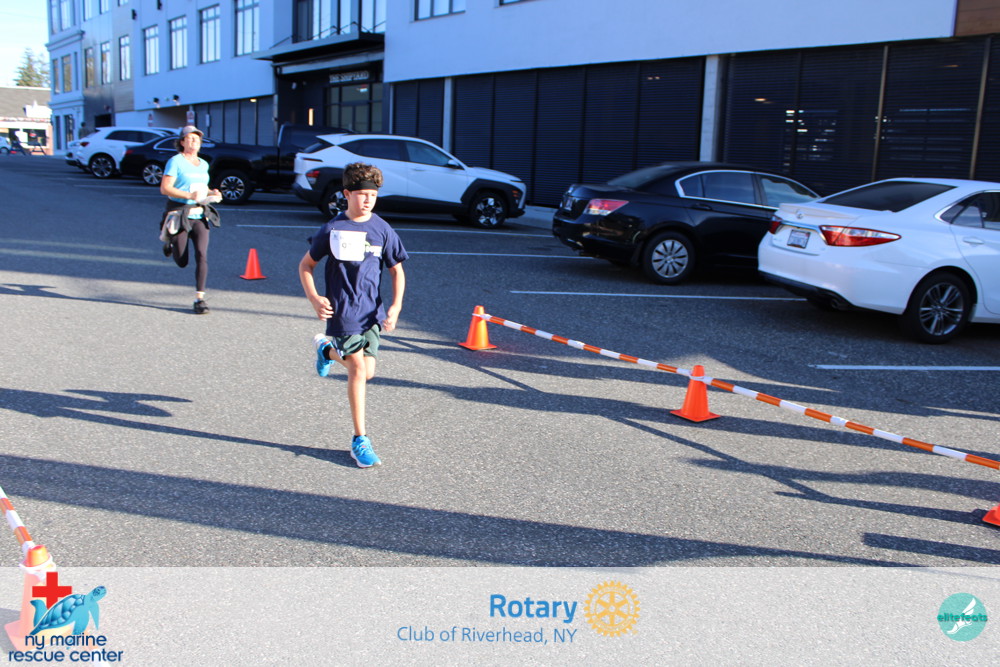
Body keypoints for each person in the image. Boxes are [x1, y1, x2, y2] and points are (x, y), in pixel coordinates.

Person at [298, 163, 408, 468]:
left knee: (367, 372)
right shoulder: (332, 229)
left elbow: (397, 270)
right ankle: (360, 439)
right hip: (343, 311)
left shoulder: (382, 229)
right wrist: (314, 298)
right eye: (362, 194)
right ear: (347, 194)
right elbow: (306, 265)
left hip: (372, 312)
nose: (368, 200)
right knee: (358, 370)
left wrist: (396, 306)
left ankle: (326, 351)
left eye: (373, 194)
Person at [159, 125, 221, 314]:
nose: (194, 142)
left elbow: (202, 187)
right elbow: (165, 188)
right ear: (182, 142)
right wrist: (189, 195)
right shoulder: (175, 161)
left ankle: (199, 299)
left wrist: (212, 193)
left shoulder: (203, 164)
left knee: (202, 255)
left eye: (197, 139)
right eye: (190, 139)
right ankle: (170, 242)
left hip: (200, 214)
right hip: (179, 213)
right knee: (182, 261)